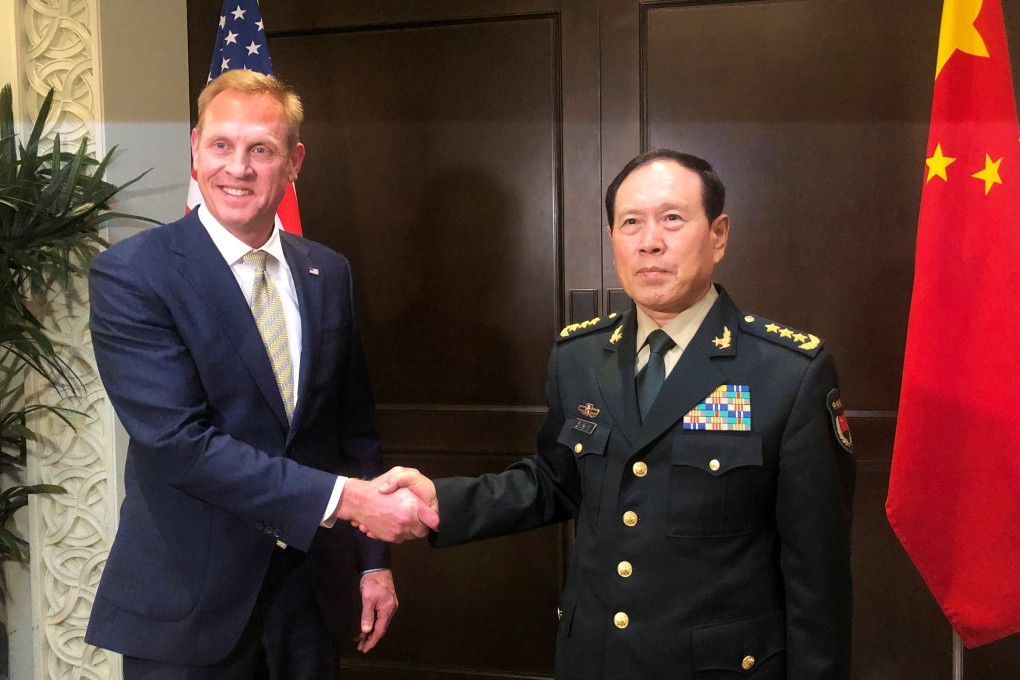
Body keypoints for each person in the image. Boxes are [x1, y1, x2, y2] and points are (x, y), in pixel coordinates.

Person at [373, 150, 856, 679]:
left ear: (718, 235)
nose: (649, 241)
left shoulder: (788, 372)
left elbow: (819, 579)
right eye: (631, 223)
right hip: (594, 660)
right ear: (613, 240)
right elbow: (554, 482)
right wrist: (441, 502)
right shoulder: (579, 356)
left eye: (672, 218)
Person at [84, 70, 437, 680]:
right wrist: (347, 501)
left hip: (310, 598)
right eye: (221, 145)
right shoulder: (132, 274)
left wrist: (372, 563)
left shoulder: (329, 272)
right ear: (195, 149)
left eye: (261, 150)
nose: (238, 168)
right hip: (189, 610)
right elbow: (178, 444)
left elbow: (353, 433)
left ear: (294, 161)